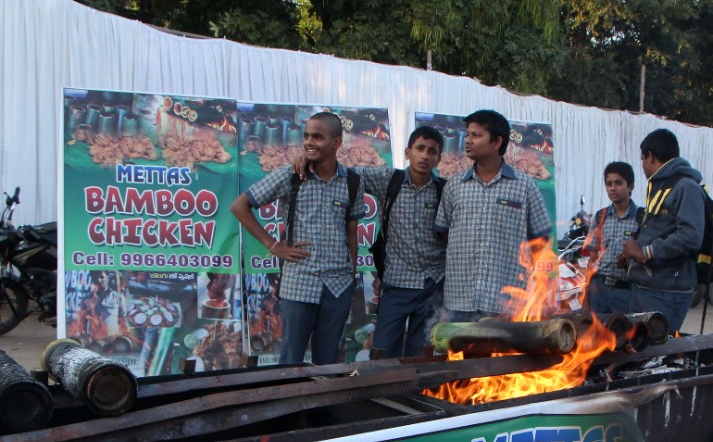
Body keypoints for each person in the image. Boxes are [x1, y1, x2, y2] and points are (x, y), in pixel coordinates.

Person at [231, 111, 366, 364]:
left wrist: (351, 272)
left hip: (337, 285)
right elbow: (240, 206)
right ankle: (292, 404)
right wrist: (273, 245)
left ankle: (324, 404)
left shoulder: (353, 182)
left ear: (336, 143)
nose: (309, 142)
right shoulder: (292, 176)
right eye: (306, 137)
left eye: (318, 137)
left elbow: (352, 229)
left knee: (327, 363)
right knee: (291, 360)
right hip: (299, 280)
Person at [434, 109, 553, 322]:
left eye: (476, 135)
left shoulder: (525, 187)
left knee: (501, 356)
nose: (468, 141)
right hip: (459, 300)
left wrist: (523, 274)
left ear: (497, 142)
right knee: (459, 355)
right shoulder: (454, 185)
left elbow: (540, 239)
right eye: (468, 134)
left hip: (505, 302)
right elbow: (443, 233)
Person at [358, 126, 447, 357]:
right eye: (420, 148)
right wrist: (307, 160)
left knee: (421, 355)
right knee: (383, 352)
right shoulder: (389, 180)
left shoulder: (445, 190)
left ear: (438, 159)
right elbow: (344, 174)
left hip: (433, 285)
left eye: (432, 151)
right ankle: (386, 393)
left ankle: (416, 394)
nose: (425, 156)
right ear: (408, 152)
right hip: (397, 284)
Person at [619, 129, 704, 332]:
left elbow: (691, 237)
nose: (642, 166)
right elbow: (660, 229)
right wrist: (632, 259)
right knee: (635, 351)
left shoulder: (686, 187)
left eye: (642, 159)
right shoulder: (661, 186)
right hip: (646, 287)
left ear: (651, 156)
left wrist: (646, 252)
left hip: (667, 292)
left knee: (654, 353)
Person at [581, 162, 640, 314]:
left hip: (626, 292)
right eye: (609, 184)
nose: (613, 188)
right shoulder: (601, 217)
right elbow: (592, 260)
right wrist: (585, 297)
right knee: (596, 336)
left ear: (630, 186)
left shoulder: (641, 219)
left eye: (618, 183)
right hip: (599, 290)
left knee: (624, 335)